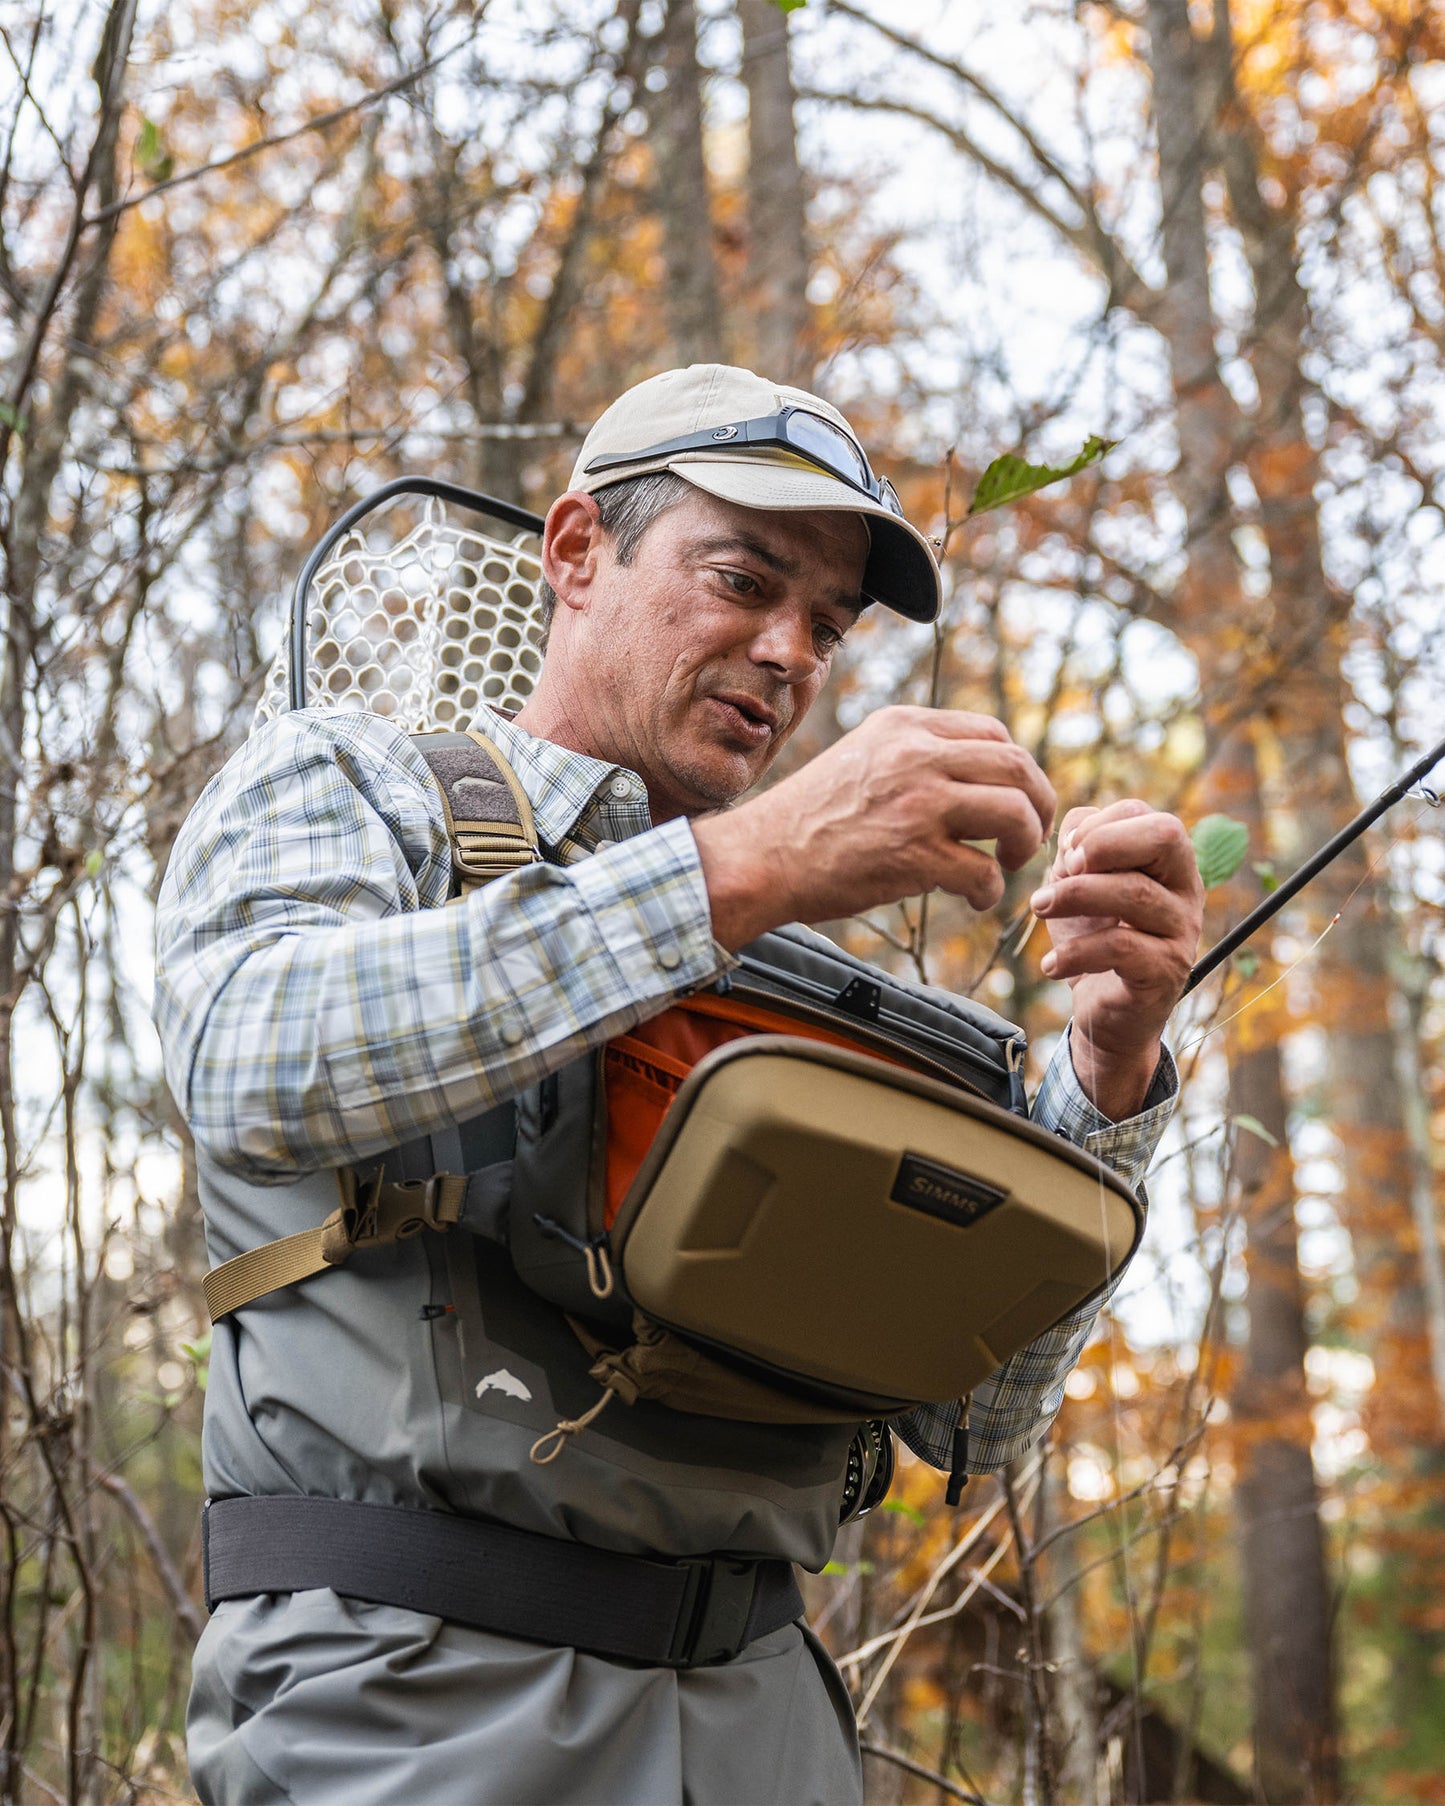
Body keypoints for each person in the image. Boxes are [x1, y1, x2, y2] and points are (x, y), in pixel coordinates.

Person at [154, 363, 1203, 1805]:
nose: (788, 652)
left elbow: (961, 1422)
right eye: (742, 579)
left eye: (824, 625)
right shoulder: (353, 786)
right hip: (402, 1705)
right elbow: (248, 1054)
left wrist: (1106, 1069)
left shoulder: (811, 984)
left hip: (760, 1718)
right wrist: (748, 868)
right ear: (577, 552)